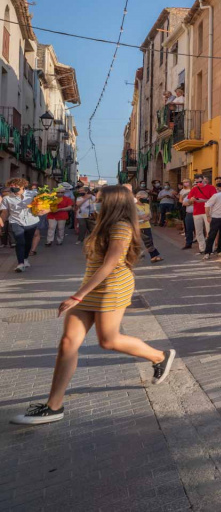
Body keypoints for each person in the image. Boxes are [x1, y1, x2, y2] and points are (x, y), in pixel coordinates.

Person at [11, 185, 176, 425]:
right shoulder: (102, 222)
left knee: (108, 340)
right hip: (91, 284)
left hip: (112, 286)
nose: (95, 202)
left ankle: (159, 356)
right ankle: (53, 406)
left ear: (113, 203)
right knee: (68, 342)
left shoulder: (121, 226)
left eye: (100, 199)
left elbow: (110, 263)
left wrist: (77, 295)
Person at [1, 178, 41, 272]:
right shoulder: (7, 198)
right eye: (11, 186)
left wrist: (43, 210)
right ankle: (20, 263)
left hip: (32, 222)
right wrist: (1, 222)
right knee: (20, 241)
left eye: (15, 185)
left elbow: (44, 206)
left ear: (22, 186)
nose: (13, 187)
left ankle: (25, 259)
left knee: (28, 242)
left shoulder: (33, 194)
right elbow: (5, 212)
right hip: (16, 221)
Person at [202, 180, 221, 260]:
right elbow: (207, 205)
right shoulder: (217, 196)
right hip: (215, 218)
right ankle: (207, 252)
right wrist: (208, 216)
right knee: (212, 235)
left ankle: (220, 250)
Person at [187, 175, 215, 252]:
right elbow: (189, 200)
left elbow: (214, 200)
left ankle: (210, 248)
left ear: (204, 180)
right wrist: (192, 200)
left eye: (200, 181)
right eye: (197, 182)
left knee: (209, 230)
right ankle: (202, 248)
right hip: (197, 212)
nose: (199, 183)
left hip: (207, 212)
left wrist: (203, 200)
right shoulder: (194, 189)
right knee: (198, 231)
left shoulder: (211, 188)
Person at [134, 191, 164, 263]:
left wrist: (147, 218)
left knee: (149, 240)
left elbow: (150, 214)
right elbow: (133, 216)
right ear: (138, 198)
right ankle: (153, 256)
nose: (146, 199)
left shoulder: (146, 205)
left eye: (146, 197)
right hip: (139, 226)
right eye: (144, 197)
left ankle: (154, 256)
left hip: (147, 225)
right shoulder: (134, 206)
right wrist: (141, 218)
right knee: (146, 241)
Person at [179, 179, 195, 248]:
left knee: (199, 229)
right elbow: (183, 202)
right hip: (189, 212)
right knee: (188, 228)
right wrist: (190, 203)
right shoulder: (185, 193)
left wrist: (190, 203)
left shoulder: (198, 193)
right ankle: (188, 243)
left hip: (198, 213)